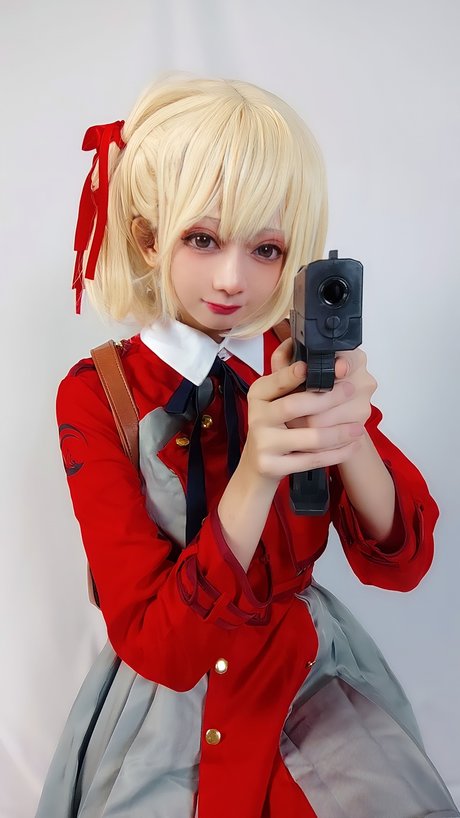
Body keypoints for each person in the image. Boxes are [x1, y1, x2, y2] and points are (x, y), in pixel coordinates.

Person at [35, 75, 458, 818]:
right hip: (168, 701)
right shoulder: (99, 393)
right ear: (149, 235)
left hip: (306, 679)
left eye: (266, 248)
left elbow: (403, 559)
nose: (233, 279)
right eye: (202, 238)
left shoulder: (291, 358)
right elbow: (159, 645)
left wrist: (348, 430)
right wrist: (256, 472)